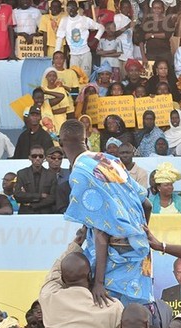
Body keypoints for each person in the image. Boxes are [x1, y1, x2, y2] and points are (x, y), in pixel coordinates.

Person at [60, 119, 154, 309]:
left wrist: (99, 283)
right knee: (138, 319)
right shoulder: (110, 160)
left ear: (60, 143)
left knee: (114, 322)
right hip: (140, 254)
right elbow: (147, 204)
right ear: (85, 138)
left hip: (113, 262)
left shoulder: (80, 175)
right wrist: (140, 235)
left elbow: (101, 232)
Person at [55, 0, 103, 76]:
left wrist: (95, 39)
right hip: (73, 55)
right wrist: (56, 54)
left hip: (85, 54)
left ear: (77, 9)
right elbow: (59, 38)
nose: (71, 10)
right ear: (66, 9)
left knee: (85, 78)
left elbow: (101, 27)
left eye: (73, 8)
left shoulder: (84, 20)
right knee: (73, 78)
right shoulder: (64, 21)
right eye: (69, 8)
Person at [13, 145, 57, 214]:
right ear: (29, 157)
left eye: (40, 156)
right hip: (25, 213)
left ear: (44, 158)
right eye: (34, 156)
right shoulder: (22, 173)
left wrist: (33, 205)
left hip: (45, 213)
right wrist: (40, 196)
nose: (37, 158)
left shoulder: (51, 175)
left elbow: (53, 198)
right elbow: (18, 195)